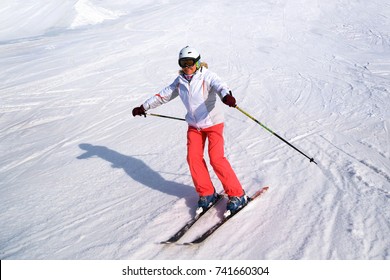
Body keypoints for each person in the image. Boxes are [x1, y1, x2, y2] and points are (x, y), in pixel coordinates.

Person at [132, 46, 247, 214]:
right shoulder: (180, 81)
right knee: (193, 158)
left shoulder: (207, 76)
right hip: (195, 126)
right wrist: (144, 107)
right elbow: (163, 95)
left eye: (190, 63)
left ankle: (237, 194)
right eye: (183, 63)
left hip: (213, 124)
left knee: (216, 159)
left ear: (197, 62)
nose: (187, 67)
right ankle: (207, 193)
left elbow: (220, 86)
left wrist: (226, 96)